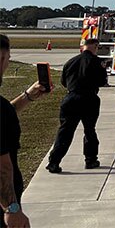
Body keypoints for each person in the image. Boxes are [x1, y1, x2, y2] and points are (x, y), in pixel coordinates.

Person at [1, 33, 51, 228]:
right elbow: (1, 168)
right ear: (2, 58)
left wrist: (27, 97)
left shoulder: (3, 109)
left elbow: (4, 117)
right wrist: (12, 210)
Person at [46, 37, 108, 174]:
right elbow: (102, 81)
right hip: (89, 99)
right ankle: (90, 159)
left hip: (71, 98)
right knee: (89, 130)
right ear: (95, 46)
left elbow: (63, 81)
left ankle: (54, 161)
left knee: (65, 131)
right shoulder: (97, 62)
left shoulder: (70, 62)